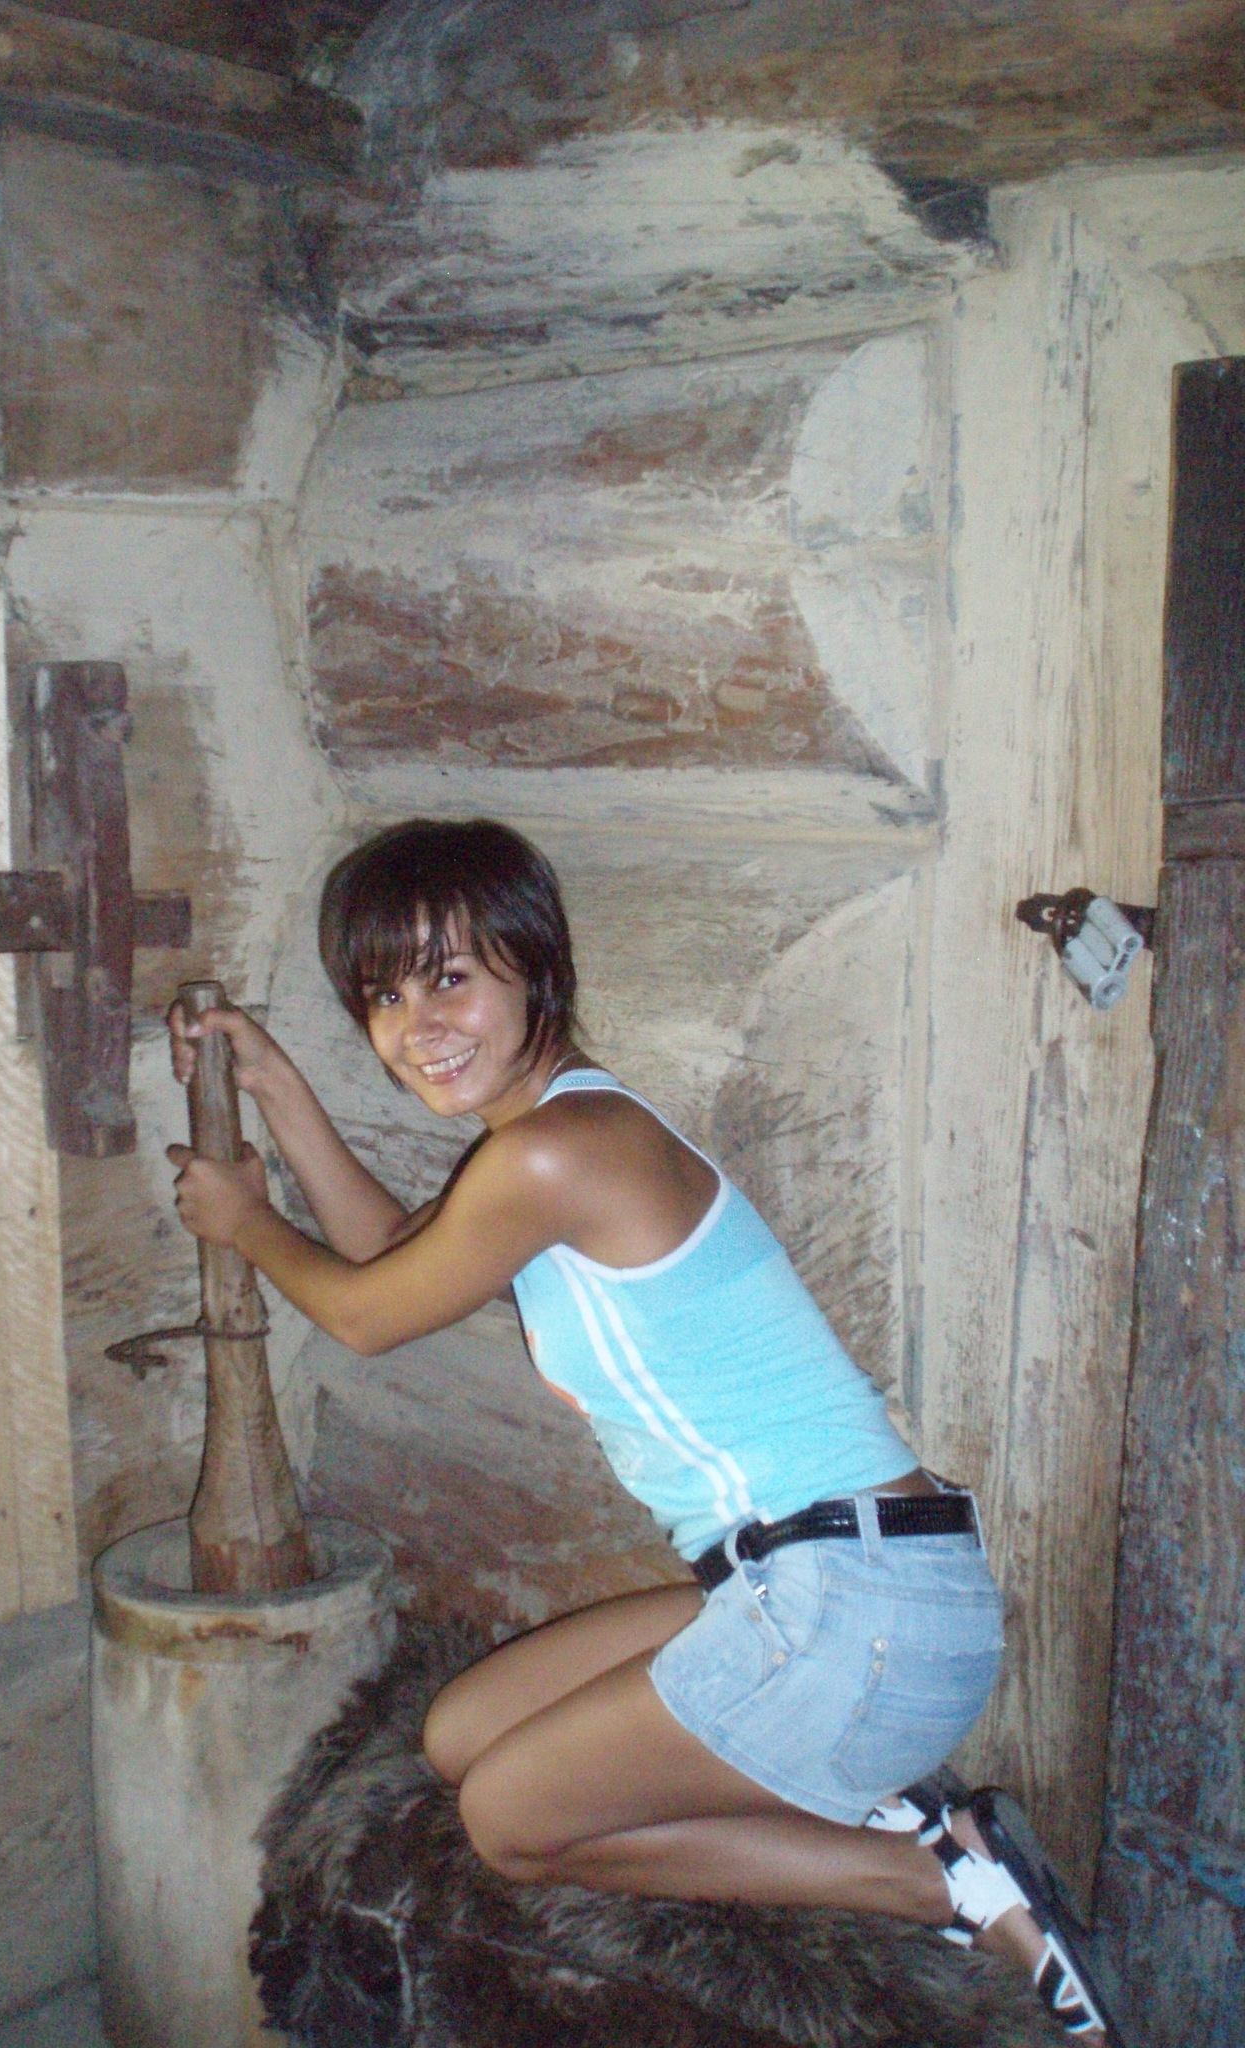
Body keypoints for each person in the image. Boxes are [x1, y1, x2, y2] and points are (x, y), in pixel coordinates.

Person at [167, 817, 1116, 2043]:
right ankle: (877, 1812)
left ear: (535, 965)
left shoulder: (561, 1153)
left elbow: (362, 1315)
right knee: (458, 1734)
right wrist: (277, 1085)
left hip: (860, 1614)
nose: (415, 1025)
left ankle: (948, 1877)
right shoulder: (546, 1146)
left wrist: (245, 1222)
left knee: (507, 1819)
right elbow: (390, 1249)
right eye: (384, 995)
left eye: (449, 977)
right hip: (815, 1584)